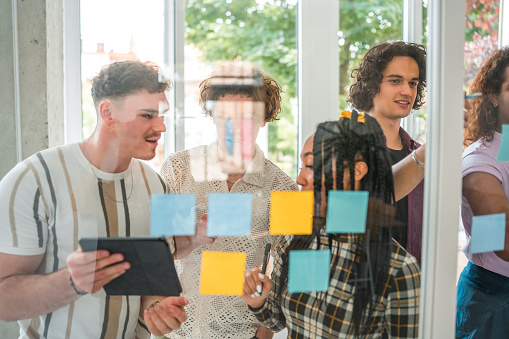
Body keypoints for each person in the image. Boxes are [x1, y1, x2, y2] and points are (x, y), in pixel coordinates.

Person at [0, 60, 187, 338]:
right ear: (108, 112)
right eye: (147, 115)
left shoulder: (158, 185)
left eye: (162, 115)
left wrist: (157, 311)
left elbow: (151, 284)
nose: (161, 127)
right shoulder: (33, 179)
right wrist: (71, 282)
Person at [242, 111, 420, 338]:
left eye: (311, 166)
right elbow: (277, 321)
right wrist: (258, 301)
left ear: (356, 172)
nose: (299, 179)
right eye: (302, 166)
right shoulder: (296, 239)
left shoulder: (398, 269)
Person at [159, 64, 298, 338]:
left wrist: (263, 334)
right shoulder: (178, 168)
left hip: (242, 331)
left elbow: (287, 276)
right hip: (176, 329)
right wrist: (191, 235)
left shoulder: (285, 189)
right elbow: (157, 251)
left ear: (263, 119)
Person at [348, 41, 426, 264]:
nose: (407, 91)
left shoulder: (418, 152)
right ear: (371, 85)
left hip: (408, 288)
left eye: (413, 83)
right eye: (395, 81)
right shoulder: (344, 145)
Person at [456, 47, 509, 338]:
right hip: (494, 300)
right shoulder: (480, 163)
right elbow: (501, 244)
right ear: (491, 95)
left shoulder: (507, 144)